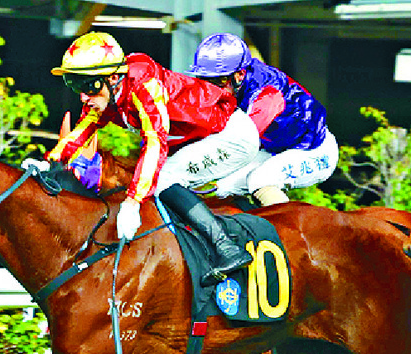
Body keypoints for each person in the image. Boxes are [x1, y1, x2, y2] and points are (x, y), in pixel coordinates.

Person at [46, 32, 259, 286]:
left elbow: (155, 141)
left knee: (163, 179)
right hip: (206, 139)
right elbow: (83, 129)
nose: (83, 96)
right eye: (75, 86)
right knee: (159, 184)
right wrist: (49, 163)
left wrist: (133, 201)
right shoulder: (108, 94)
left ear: (114, 77)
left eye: (88, 86)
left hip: (231, 135)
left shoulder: (144, 84)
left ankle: (227, 249)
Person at [186, 33, 338, 206]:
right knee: (221, 189)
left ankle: (285, 231)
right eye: (204, 81)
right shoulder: (233, 85)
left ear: (240, 75)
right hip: (273, 148)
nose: (211, 89)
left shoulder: (267, 95)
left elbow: (235, 141)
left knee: (260, 179)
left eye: (219, 81)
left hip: (313, 151)